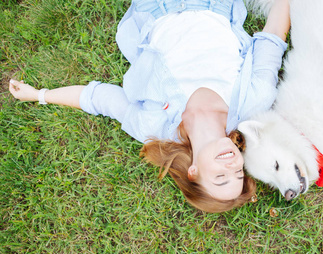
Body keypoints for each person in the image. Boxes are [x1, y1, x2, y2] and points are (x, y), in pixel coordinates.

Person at [8, 0, 290, 213]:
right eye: (238, 172)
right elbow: (274, 35)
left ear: (193, 171)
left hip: (155, 8)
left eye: (220, 177)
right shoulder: (256, 101)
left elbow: (100, 99)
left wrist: (40, 95)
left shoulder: (152, 125)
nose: (231, 166)